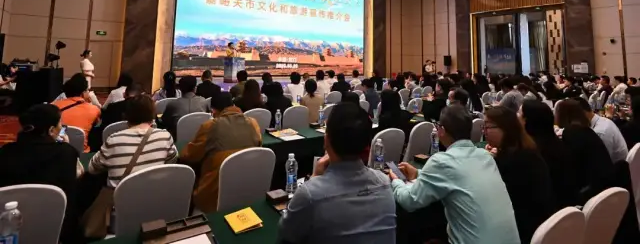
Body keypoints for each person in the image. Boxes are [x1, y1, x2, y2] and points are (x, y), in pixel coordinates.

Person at [391, 105, 520, 244]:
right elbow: (458, 174)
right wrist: (417, 173)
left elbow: (409, 201)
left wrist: (396, 181)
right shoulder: (485, 156)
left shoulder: (442, 161)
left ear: (441, 130)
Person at [278, 102, 395, 244]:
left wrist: (314, 178)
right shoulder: (385, 183)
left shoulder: (310, 194)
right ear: (367, 144)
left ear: (326, 140)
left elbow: (285, 233)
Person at [0, 104, 81, 243]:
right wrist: (66, 146)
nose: (61, 126)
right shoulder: (66, 152)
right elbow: (77, 177)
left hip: (9, 229)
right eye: (60, 123)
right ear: (51, 130)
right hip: (59, 230)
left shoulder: (5, 152)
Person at [484, 106, 555, 244]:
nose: (484, 132)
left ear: (505, 129)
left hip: (522, 232)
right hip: (541, 225)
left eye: (488, 127)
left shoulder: (511, 162)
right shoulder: (527, 151)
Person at [181, 92, 261, 212]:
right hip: (248, 189)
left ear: (213, 111)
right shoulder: (253, 123)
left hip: (214, 197)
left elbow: (189, 155)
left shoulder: (210, 126)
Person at [88, 95, 178, 188]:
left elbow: (92, 168)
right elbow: (172, 161)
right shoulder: (165, 136)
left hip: (121, 196)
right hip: (154, 193)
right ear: (153, 114)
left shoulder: (114, 140)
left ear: (125, 116)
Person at [519, 100, 579, 209]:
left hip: (549, 212)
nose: (516, 117)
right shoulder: (557, 143)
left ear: (525, 121)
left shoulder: (532, 153)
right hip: (568, 208)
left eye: (519, 114)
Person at [555, 98, 615, 204]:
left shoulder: (570, 134)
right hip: (604, 187)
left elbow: (573, 170)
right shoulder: (587, 131)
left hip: (592, 194)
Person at [52, 73, 101, 152]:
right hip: (82, 153)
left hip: (56, 149)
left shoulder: (54, 106)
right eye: (87, 90)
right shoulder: (94, 109)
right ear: (83, 93)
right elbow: (97, 124)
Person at [577, 97, 628, 163]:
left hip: (615, 167)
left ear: (582, 113)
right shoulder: (602, 120)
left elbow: (601, 162)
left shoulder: (600, 133)